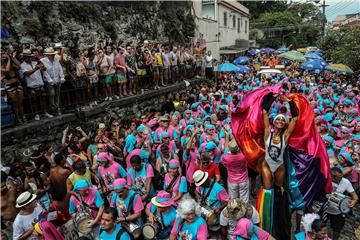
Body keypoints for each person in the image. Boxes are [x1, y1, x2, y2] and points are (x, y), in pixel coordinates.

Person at [327, 167, 358, 240]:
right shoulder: (326, 179)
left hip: (338, 212)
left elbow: (355, 196)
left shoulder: (346, 182)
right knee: (319, 228)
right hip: (325, 209)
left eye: (340, 177)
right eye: (334, 177)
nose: (339, 179)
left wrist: (354, 201)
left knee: (337, 230)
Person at [19, 49, 48, 120]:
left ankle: (45, 112)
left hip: (40, 84)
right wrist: (36, 68)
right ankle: (36, 114)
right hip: (31, 86)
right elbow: (27, 73)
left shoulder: (36, 62)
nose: (29, 58)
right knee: (34, 101)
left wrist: (42, 65)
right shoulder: (22, 65)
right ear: (24, 57)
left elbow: (44, 69)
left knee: (43, 99)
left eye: (30, 57)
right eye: (27, 57)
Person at [1, 50, 24, 123]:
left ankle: (23, 117)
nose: (3, 57)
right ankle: (18, 118)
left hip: (17, 84)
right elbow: (7, 70)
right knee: (15, 104)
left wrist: (13, 58)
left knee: (20, 103)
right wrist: (8, 59)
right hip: (9, 86)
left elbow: (19, 66)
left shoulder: (11, 64)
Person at [40, 47, 65, 116]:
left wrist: (62, 77)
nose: (53, 56)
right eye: (51, 55)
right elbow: (44, 72)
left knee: (57, 94)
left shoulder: (56, 60)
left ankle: (57, 108)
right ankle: (52, 108)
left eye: (53, 54)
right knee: (52, 94)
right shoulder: (42, 61)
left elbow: (60, 68)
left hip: (57, 79)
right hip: (48, 81)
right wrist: (51, 81)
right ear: (47, 55)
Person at [1, 171, 18, 238]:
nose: (3, 188)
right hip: (7, 225)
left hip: (19, 218)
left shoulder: (13, 187)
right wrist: (3, 224)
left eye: (4, 185)